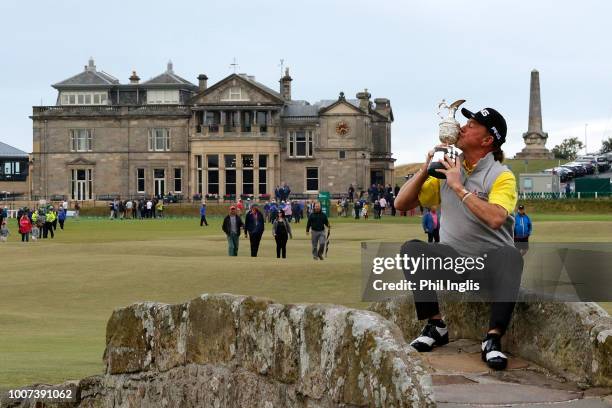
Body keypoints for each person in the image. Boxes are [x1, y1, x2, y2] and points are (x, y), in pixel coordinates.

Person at [394, 106, 522, 371]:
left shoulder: (501, 175)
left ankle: (493, 338)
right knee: (412, 249)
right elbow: (401, 203)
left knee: (511, 255)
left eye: (473, 125)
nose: (464, 127)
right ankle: (436, 325)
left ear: (487, 140)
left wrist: (458, 187)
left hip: (489, 268)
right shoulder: (447, 167)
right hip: (454, 264)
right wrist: (426, 167)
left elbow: (496, 218)